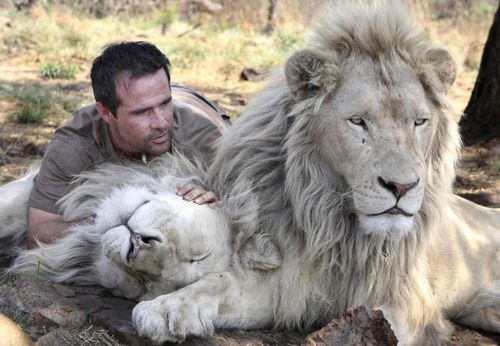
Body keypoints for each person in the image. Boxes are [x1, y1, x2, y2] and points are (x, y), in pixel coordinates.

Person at [27, 41, 230, 249]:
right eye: (142, 112)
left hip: (195, 102)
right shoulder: (75, 145)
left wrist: (215, 208)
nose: (161, 123)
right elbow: (37, 234)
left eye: (165, 103)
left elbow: (249, 215)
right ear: (105, 112)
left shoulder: (204, 135)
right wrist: (115, 219)